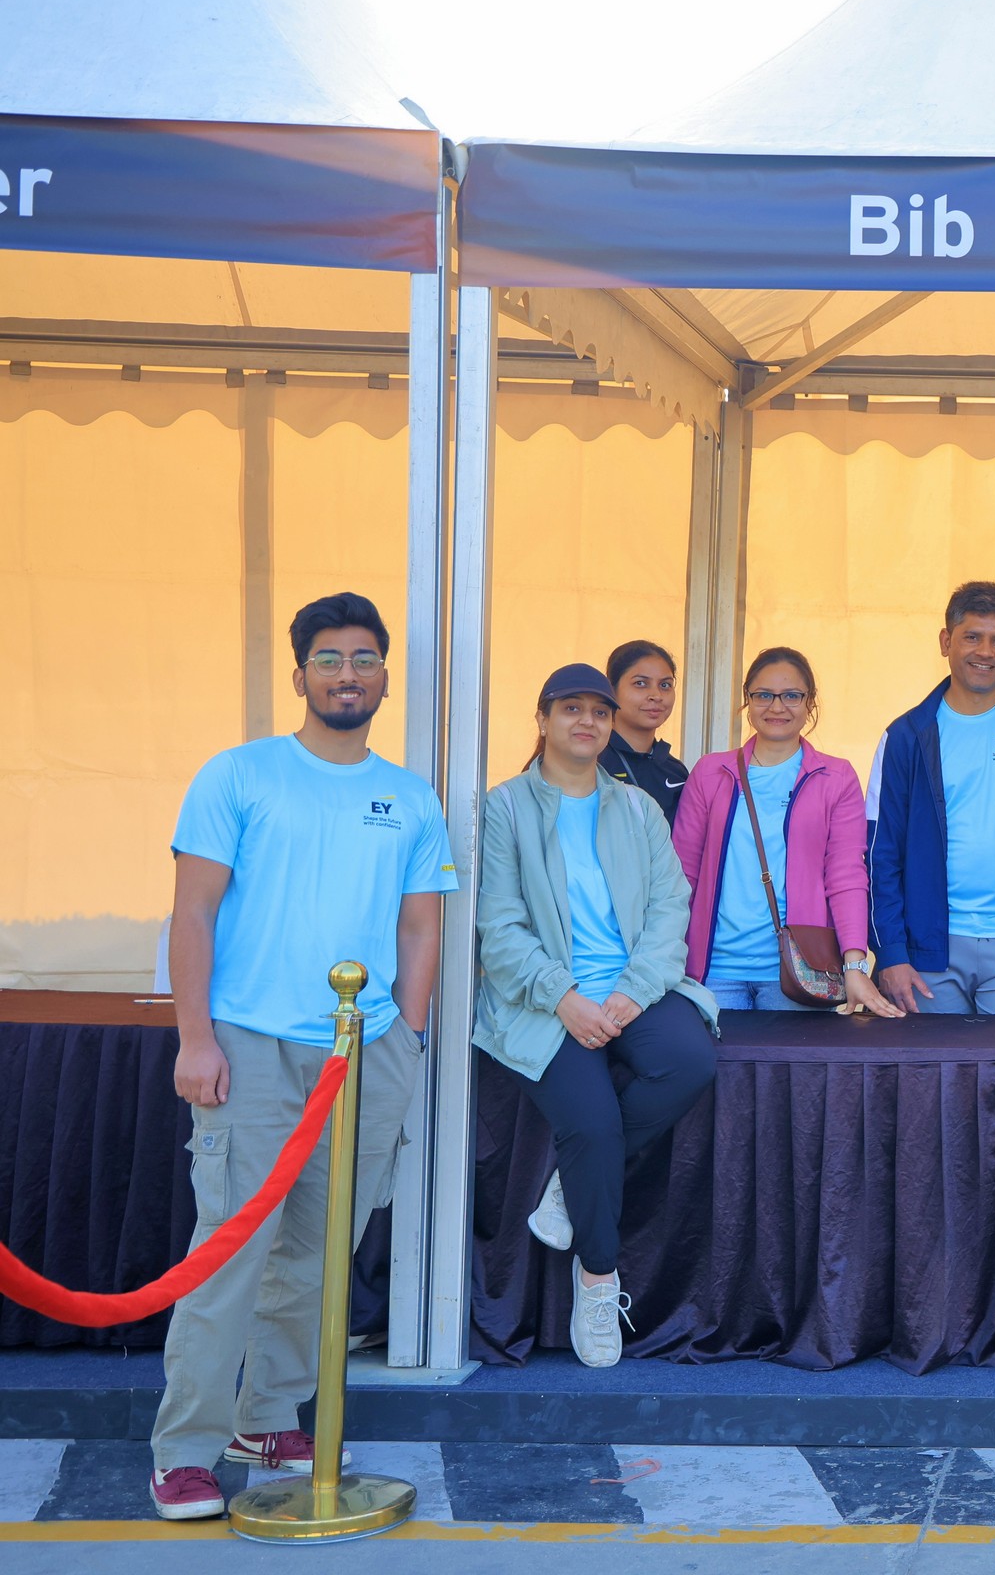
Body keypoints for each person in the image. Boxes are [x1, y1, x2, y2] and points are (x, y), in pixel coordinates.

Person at [150, 593, 455, 1520]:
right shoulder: (240, 774)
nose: (347, 674)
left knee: (321, 1255)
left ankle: (266, 1418)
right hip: (249, 1042)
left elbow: (420, 925)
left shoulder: (411, 797)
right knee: (231, 1251)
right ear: (299, 676)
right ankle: (185, 1451)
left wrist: (407, 1035)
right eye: (329, 659)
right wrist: (195, 1037)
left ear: (385, 679)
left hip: (363, 1050)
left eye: (363, 659)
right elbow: (193, 912)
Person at [474, 664, 721, 1368]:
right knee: (593, 1124)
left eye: (599, 712)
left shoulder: (636, 808)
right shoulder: (505, 807)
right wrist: (563, 997)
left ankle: (567, 1188)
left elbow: (670, 907)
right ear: (543, 718)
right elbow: (499, 925)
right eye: (571, 709)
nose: (587, 721)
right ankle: (597, 1280)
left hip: (631, 988)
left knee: (690, 1061)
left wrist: (635, 991)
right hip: (544, 998)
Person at [867, 581, 995, 1016]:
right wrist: (890, 952)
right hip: (928, 948)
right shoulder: (906, 736)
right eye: (972, 637)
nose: (985, 651)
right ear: (946, 641)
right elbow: (879, 853)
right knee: (931, 1064)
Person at [673, 648, 900, 1016]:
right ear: (747, 700)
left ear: (810, 702)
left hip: (802, 973)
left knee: (791, 1059)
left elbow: (845, 876)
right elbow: (683, 874)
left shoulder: (836, 777)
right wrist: (669, 959)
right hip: (713, 971)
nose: (777, 707)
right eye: (764, 695)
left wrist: (855, 965)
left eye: (791, 695)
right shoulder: (711, 773)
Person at [600, 640, 689, 822]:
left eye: (665, 685)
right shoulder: (591, 762)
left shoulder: (676, 772)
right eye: (640, 683)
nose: (656, 696)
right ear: (611, 690)